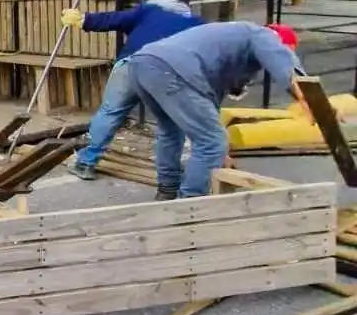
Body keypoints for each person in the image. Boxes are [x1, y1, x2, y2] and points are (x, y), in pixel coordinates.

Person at [127, 20, 303, 200]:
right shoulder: (262, 35)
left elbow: (209, 102)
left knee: (171, 130)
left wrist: (222, 155)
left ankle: (167, 190)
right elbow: (285, 65)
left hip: (141, 64)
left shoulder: (230, 45)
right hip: (173, 69)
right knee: (211, 141)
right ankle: (190, 203)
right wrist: (305, 94)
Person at [61, 0, 204, 180]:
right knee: (171, 122)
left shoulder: (149, 10)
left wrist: (84, 20)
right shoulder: (196, 23)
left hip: (131, 63)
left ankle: (85, 163)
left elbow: (115, 18)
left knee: (110, 112)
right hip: (167, 70)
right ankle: (169, 174)